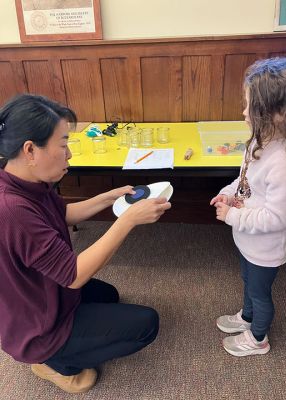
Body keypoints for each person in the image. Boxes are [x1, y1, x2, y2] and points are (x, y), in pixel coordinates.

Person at [0, 94, 171, 393]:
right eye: (64, 145)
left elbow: (63, 213)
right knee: (147, 324)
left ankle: (62, 347)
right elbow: (75, 275)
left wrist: (109, 197)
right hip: (37, 325)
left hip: (45, 288)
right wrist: (127, 220)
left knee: (110, 295)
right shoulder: (12, 209)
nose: (69, 156)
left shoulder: (27, 180)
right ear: (30, 150)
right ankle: (51, 361)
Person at [210, 57, 286, 357]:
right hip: (249, 240)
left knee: (260, 294)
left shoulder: (285, 163)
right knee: (247, 281)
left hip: (267, 247)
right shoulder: (260, 141)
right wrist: (227, 194)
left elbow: (278, 216)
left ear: (277, 114)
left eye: (250, 106)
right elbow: (244, 181)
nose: (244, 111)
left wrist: (234, 215)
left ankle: (258, 338)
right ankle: (246, 317)